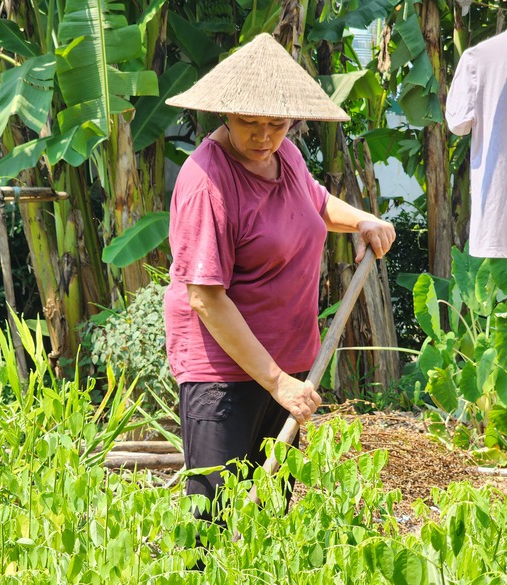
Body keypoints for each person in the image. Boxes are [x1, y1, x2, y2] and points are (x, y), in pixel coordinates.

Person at [163, 33, 396, 524]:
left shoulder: (283, 155)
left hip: (289, 368)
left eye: (278, 124)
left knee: (268, 517)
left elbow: (313, 203)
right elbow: (205, 298)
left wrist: (361, 221)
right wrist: (277, 383)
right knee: (212, 518)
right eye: (250, 123)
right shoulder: (207, 182)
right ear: (225, 113)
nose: (264, 136)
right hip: (223, 374)